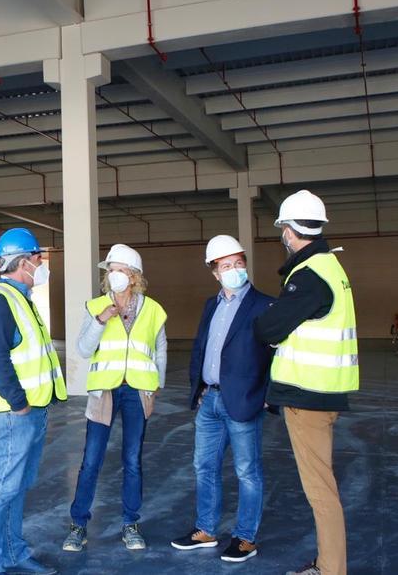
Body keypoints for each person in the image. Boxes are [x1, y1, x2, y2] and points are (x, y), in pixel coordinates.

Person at [253, 190, 359, 575]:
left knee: (320, 490)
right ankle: (328, 564)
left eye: (282, 227)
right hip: (323, 392)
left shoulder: (310, 274)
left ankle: (331, 570)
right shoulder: (331, 267)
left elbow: (268, 327)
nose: (282, 234)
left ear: (289, 230)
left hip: (309, 397)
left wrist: (273, 324)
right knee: (322, 486)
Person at [170, 236, 275, 563]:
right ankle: (205, 530)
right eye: (226, 266)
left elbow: (277, 355)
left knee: (247, 471)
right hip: (210, 401)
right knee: (204, 467)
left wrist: (269, 396)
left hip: (244, 402)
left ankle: (245, 538)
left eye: (238, 263)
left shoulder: (264, 305)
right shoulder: (210, 305)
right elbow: (201, 348)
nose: (234, 270)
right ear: (214, 272)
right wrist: (198, 387)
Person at [0, 227, 67, 575]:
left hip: (32, 412)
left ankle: (13, 553)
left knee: (17, 488)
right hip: (12, 415)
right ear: (24, 262)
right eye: (40, 259)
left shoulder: (21, 297)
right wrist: (19, 404)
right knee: (0, 490)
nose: (43, 265)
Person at [61, 244, 167, 553]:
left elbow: (159, 348)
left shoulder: (153, 309)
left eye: (119, 270)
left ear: (134, 276)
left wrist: (156, 383)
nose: (112, 275)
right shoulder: (96, 307)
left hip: (137, 390)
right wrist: (101, 320)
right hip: (104, 390)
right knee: (91, 460)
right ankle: (77, 526)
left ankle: (131, 524)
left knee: (132, 460)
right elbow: (82, 348)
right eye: (110, 270)